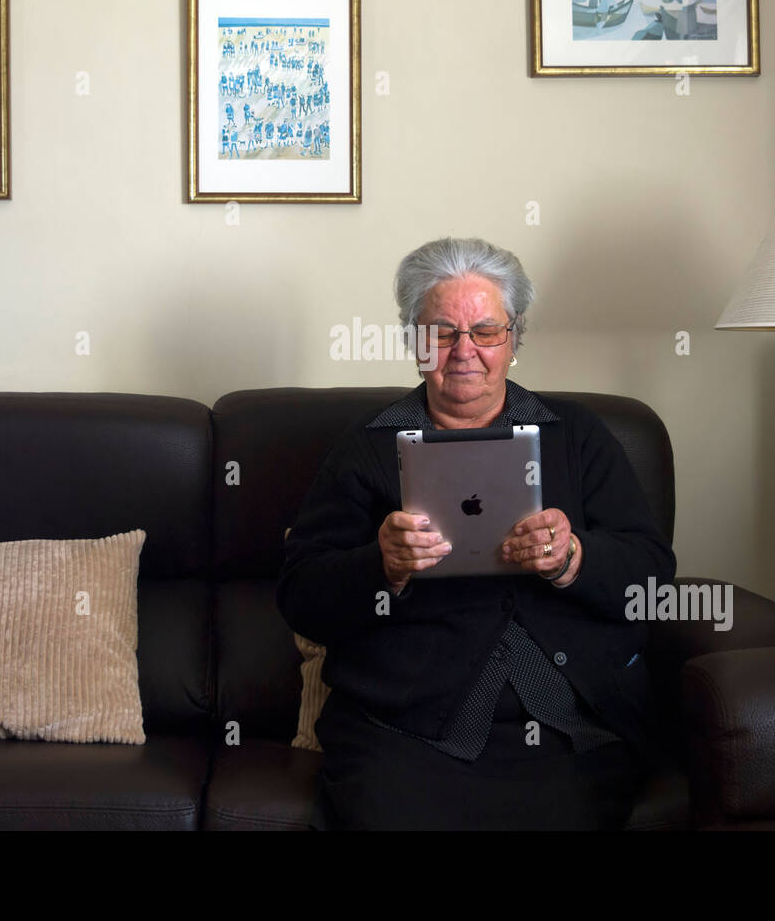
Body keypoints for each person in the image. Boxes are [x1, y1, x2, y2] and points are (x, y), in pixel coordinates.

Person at [278, 237, 677, 830]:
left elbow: (652, 572)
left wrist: (573, 558)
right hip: (402, 726)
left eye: (486, 331)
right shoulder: (364, 448)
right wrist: (380, 565)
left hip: (568, 720)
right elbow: (301, 595)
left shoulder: (578, 436)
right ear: (415, 342)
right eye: (442, 331)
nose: (465, 351)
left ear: (514, 338)